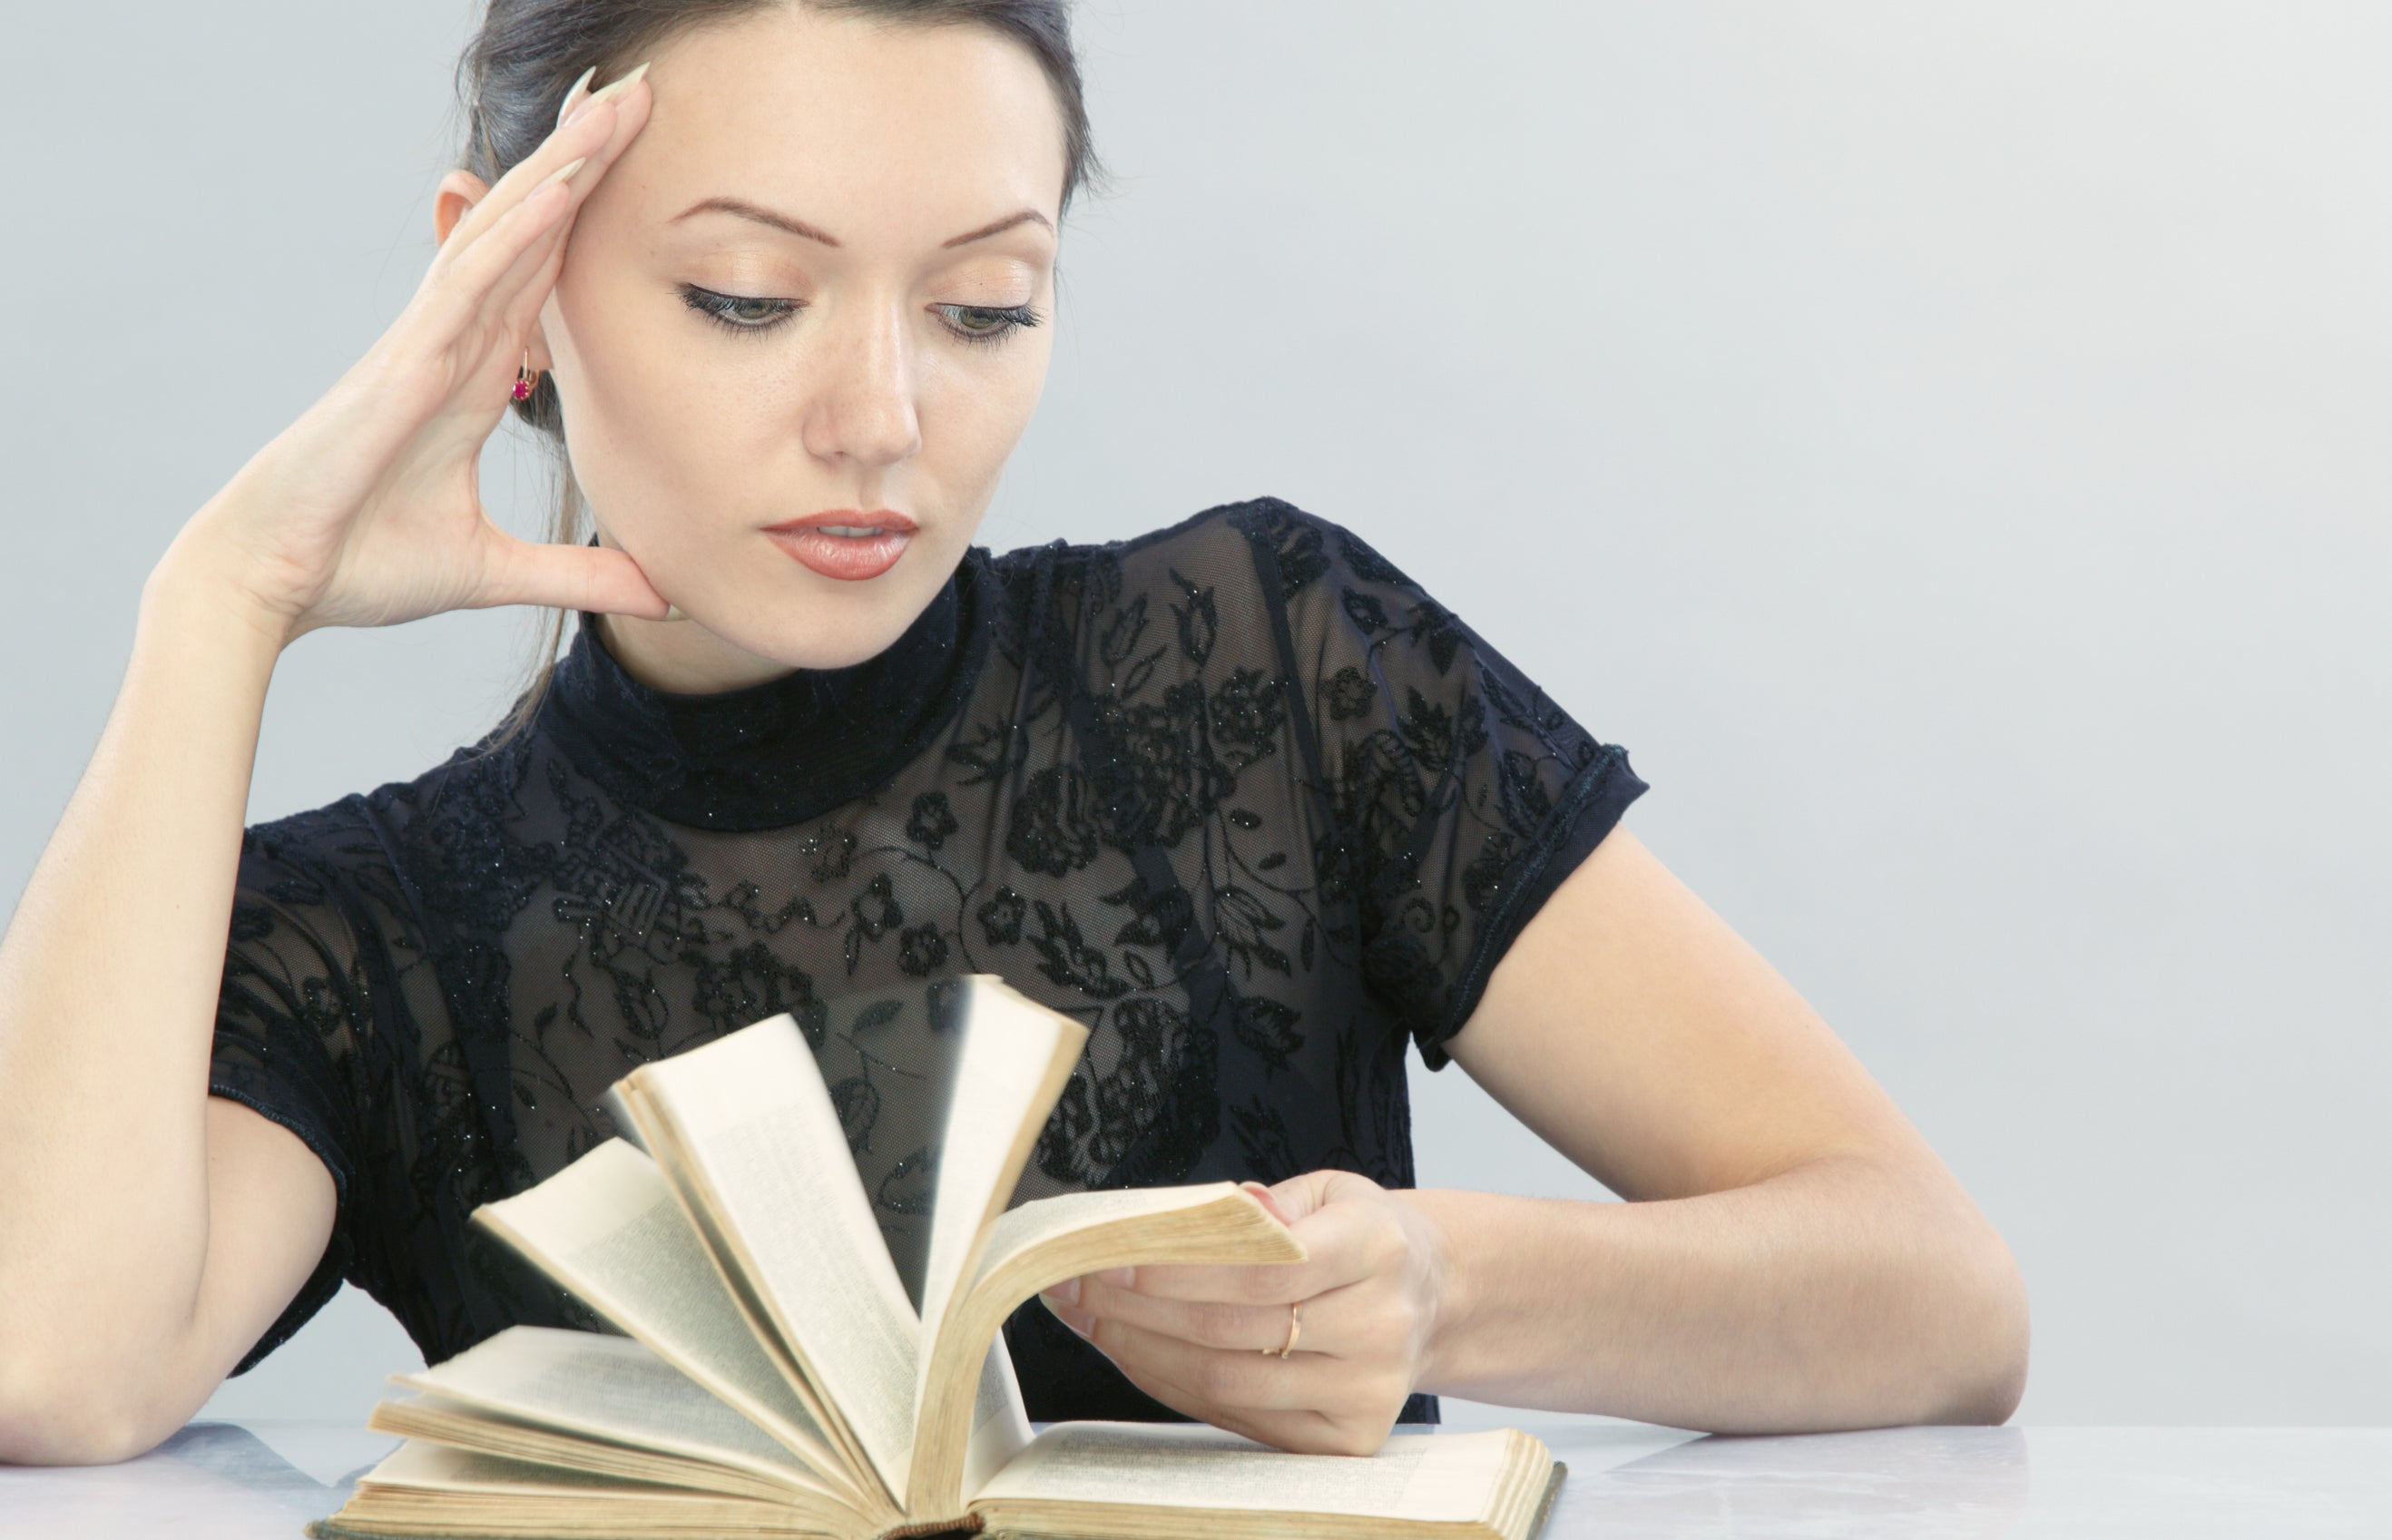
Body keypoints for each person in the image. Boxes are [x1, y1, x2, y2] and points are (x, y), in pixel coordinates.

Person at [0, 0, 2027, 1467]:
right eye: (742, 296)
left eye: (982, 308)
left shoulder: (1270, 656)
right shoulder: (375, 925)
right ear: (507, 293)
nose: (880, 414)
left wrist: (1443, 1289)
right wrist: (225, 601)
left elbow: (1937, 1295)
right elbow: (46, 1366)